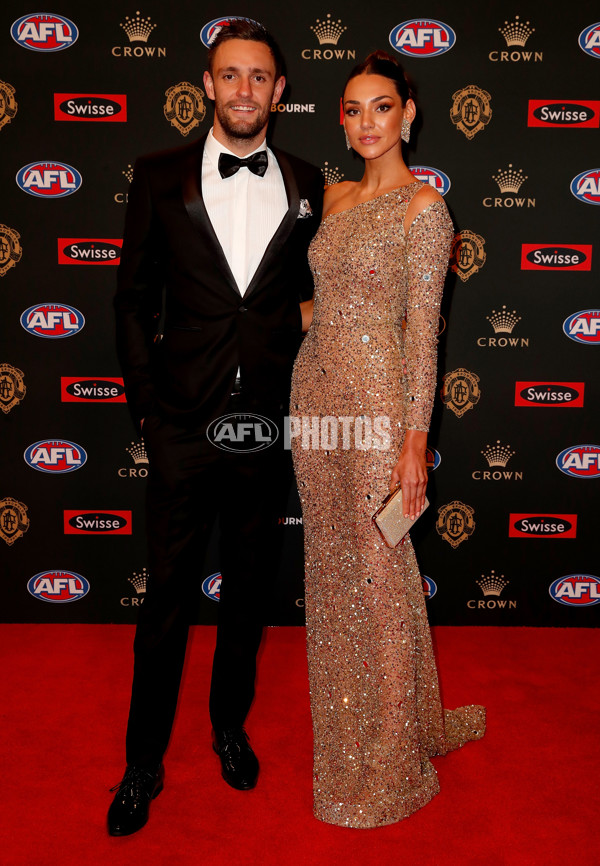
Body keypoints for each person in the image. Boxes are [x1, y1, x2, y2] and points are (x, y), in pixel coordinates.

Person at [109, 20, 323, 836]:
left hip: (265, 428)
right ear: (207, 85)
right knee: (165, 598)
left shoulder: (307, 182)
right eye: (229, 75)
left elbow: (319, 294)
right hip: (182, 425)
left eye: (258, 77)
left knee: (247, 593)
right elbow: (131, 299)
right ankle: (141, 763)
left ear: (279, 91)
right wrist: (146, 407)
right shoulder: (158, 175)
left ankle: (228, 727)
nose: (244, 90)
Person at [290, 51, 485, 828]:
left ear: (409, 114)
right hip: (314, 401)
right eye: (352, 108)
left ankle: (393, 755)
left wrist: (414, 438)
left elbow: (423, 332)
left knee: (377, 567)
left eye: (381, 107)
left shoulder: (424, 209)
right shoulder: (332, 199)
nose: (366, 122)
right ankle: (347, 724)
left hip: (376, 409)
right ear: (341, 118)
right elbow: (314, 308)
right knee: (334, 568)